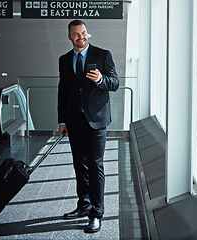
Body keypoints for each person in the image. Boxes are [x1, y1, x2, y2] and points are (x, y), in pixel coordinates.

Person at [57, 19, 119, 233]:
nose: (80, 37)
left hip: (96, 121)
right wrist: (62, 120)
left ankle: (96, 213)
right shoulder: (64, 60)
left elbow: (115, 83)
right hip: (74, 122)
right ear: (69, 37)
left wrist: (101, 79)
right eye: (76, 34)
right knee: (79, 165)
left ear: (87, 33)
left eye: (83, 33)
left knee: (95, 166)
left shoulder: (103, 55)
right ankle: (83, 205)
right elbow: (63, 91)